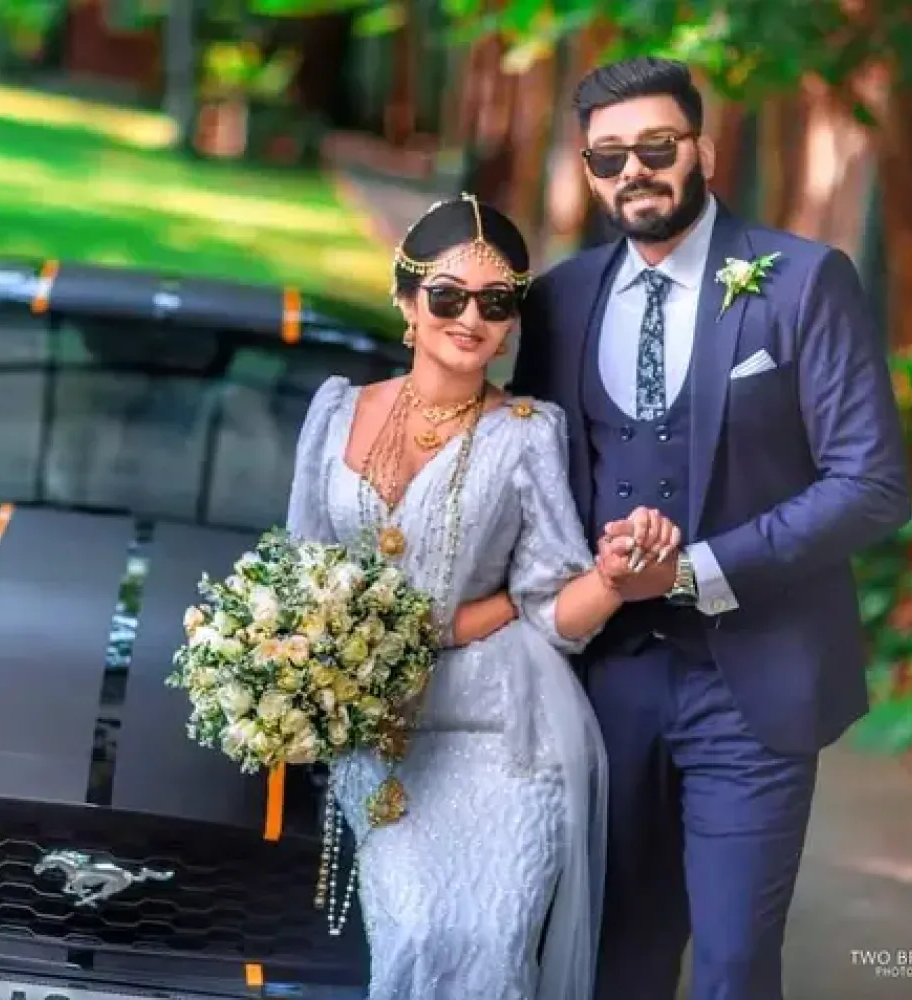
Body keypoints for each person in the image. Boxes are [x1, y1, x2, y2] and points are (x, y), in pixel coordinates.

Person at [510, 57, 912, 1000]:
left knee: (733, 965)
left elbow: (872, 484)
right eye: (609, 156)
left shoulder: (802, 283)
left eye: (657, 147)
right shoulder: (560, 301)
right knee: (614, 960)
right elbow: (530, 483)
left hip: (752, 686)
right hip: (606, 684)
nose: (634, 171)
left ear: (705, 151)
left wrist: (695, 570)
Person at [285, 193, 680, 1000]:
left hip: (507, 732)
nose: (471, 318)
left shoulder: (528, 432)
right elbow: (301, 574)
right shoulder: (335, 412)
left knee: (495, 945)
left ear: (511, 324)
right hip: (387, 735)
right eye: (448, 296)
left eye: (495, 303)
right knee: (416, 931)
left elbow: (552, 609)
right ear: (407, 301)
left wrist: (610, 577)